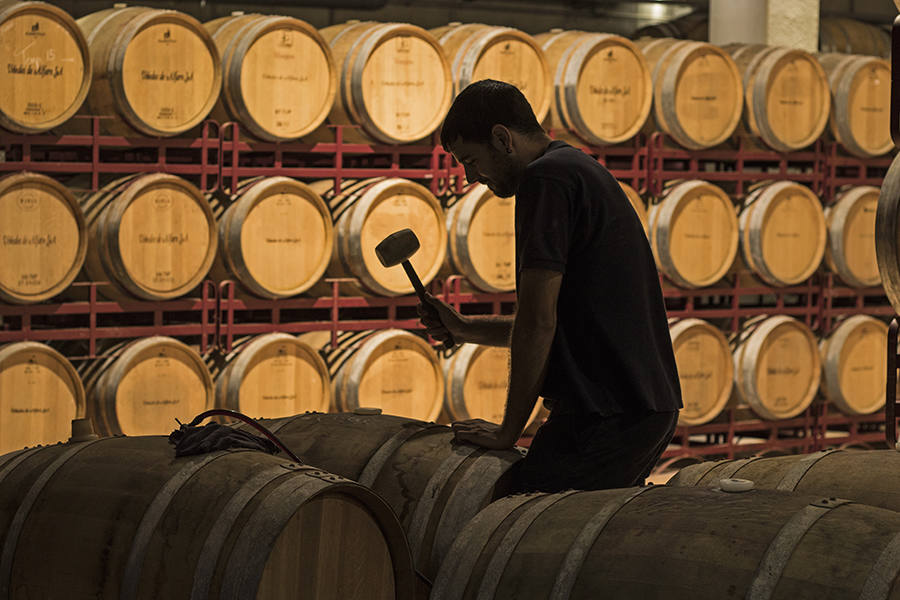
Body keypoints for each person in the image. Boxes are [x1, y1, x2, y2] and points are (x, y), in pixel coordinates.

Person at [418, 79, 682, 493]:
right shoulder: (573, 166)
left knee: (515, 524)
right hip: (636, 409)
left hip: (607, 414)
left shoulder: (546, 179)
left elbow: (538, 322)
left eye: (470, 160)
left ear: (502, 139)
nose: (470, 177)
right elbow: (562, 324)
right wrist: (465, 328)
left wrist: (508, 431)